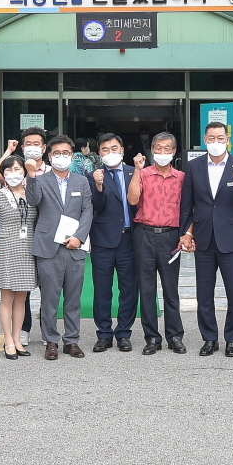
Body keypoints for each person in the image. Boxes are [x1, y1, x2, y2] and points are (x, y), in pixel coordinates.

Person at [179, 121, 233, 357]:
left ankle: (232, 339)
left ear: (227, 140)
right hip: (204, 238)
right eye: (211, 138)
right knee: (204, 293)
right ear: (205, 140)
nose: (216, 142)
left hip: (232, 239)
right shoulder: (194, 167)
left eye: (220, 138)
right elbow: (187, 204)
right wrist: (186, 233)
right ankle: (209, 338)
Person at [26, 135, 93, 360]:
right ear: (49, 155)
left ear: (72, 156)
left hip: (74, 247)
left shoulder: (81, 181)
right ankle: (51, 341)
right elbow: (33, 200)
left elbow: (87, 211)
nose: (61, 157)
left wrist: (79, 237)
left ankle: (72, 340)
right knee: (49, 298)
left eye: (65, 153)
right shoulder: (40, 180)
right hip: (48, 246)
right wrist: (31, 175)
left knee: (73, 298)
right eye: (56, 153)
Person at [126, 131, 187, 355]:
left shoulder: (181, 177)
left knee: (171, 289)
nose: (162, 152)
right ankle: (152, 337)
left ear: (174, 151)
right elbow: (132, 199)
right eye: (158, 148)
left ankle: (175, 336)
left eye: (167, 149)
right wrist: (137, 170)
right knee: (147, 288)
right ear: (152, 150)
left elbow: (189, 208)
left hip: (170, 236)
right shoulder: (142, 174)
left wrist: (187, 234)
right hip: (144, 234)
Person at [0, 127, 49, 345]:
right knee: (21, 285)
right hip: (19, 239)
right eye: (28, 144)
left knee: (46, 287)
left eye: (37, 144)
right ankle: (22, 330)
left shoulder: (51, 171)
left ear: (44, 148)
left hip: (43, 236)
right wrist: (9, 151)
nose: (32, 148)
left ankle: (47, 330)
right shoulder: (16, 171)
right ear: (23, 146)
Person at [0, 156, 37, 359]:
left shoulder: (32, 193)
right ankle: (8, 341)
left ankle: (17, 339)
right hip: (6, 248)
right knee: (7, 298)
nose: (13, 174)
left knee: (21, 299)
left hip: (27, 249)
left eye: (17, 169)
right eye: (8, 170)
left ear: (24, 171)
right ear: (3, 175)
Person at [88, 133, 138, 352]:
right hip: (103, 240)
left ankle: (124, 333)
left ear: (122, 150)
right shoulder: (92, 176)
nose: (110, 153)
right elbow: (95, 207)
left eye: (114, 148)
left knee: (129, 289)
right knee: (102, 290)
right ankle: (104, 333)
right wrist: (98, 186)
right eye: (105, 150)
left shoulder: (135, 173)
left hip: (130, 239)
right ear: (99, 153)